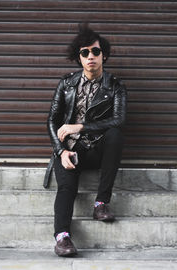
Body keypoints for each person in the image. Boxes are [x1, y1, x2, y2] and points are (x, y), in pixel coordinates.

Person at [46, 23, 127, 257]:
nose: (90, 56)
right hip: (70, 150)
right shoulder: (67, 84)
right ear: (78, 57)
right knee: (66, 187)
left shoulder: (115, 86)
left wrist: (80, 126)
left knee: (115, 135)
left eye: (95, 51)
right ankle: (62, 238)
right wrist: (60, 151)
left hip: (97, 148)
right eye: (85, 52)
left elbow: (119, 120)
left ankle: (101, 204)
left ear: (104, 55)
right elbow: (52, 120)